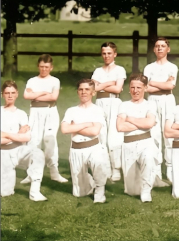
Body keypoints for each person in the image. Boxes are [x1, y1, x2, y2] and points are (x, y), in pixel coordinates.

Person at [61, 79, 110, 203]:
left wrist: (75, 127)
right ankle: (90, 182)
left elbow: (94, 131)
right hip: (76, 149)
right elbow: (64, 129)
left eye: (87, 89)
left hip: (93, 147)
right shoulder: (71, 110)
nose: (84, 92)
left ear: (93, 92)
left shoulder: (97, 110)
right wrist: (86, 124)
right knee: (80, 193)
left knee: (98, 162)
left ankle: (100, 191)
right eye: (81, 89)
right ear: (77, 92)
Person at [116, 74, 163, 202]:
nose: (135, 90)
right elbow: (120, 126)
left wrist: (129, 119)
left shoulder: (150, 104)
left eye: (138, 87)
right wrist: (143, 122)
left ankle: (147, 190)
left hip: (146, 142)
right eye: (132, 87)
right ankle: (146, 183)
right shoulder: (123, 105)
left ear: (145, 88)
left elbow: (149, 123)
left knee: (148, 157)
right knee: (132, 191)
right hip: (128, 145)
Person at [23, 54, 69, 183]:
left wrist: (35, 95)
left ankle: (54, 172)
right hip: (35, 112)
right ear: (38, 66)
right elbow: (26, 96)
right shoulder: (32, 81)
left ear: (51, 67)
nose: (44, 69)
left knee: (50, 141)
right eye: (42, 67)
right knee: (34, 142)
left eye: (46, 67)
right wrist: (44, 93)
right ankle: (31, 173)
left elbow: (53, 97)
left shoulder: (55, 81)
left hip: (50, 112)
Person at [1, 80, 48, 201]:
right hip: (3, 153)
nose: (10, 96)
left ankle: (34, 192)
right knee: (5, 193)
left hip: (18, 150)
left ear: (17, 94)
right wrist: (18, 134)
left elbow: (27, 137)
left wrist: (5, 134)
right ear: (2, 94)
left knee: (37, 153)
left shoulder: (21, 114)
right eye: (7, 93)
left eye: (13, 93)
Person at [142, 37, 179, 181]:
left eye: (163, 46)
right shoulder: (149, 68)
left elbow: (170, 86)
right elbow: (146, 88)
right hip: (152, 101)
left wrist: (153, 82)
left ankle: (169, 167)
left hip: (167, 100)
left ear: (168, 49)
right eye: (157, 46)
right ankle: (156, 169)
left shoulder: (172, 67)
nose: (160, 48)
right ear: (154, 49)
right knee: (154, 134)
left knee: (168, 133)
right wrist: (162, 84)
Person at [92, 42, 127, 181]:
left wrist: (100, 85)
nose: (106, 56)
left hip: (114, 102)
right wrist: (108, 83)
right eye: (104, 53)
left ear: (115, 54)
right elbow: (93, 89)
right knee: (101, 135)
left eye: (109, 53)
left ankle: (116, 168)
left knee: (114, 136)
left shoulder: (120, 70)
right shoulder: (98, 71)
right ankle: (104, 168)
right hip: (99, 103)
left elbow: (118, 89)